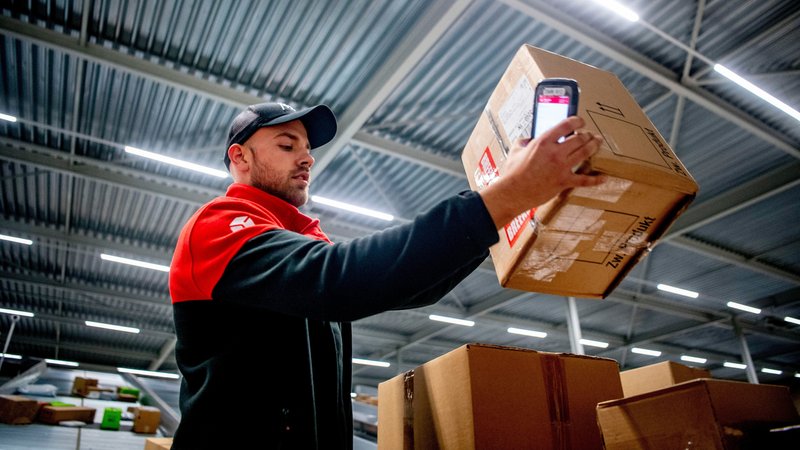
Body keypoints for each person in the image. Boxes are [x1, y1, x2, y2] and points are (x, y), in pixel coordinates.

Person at [168, 102, 604, 449]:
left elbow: (411, 289)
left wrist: (502, 217)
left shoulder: (302, 242)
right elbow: (342, 280)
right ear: (239, 157)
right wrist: (500, 199)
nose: (306, 159)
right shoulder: (219, 226)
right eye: (287, 146)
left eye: (307, 150)